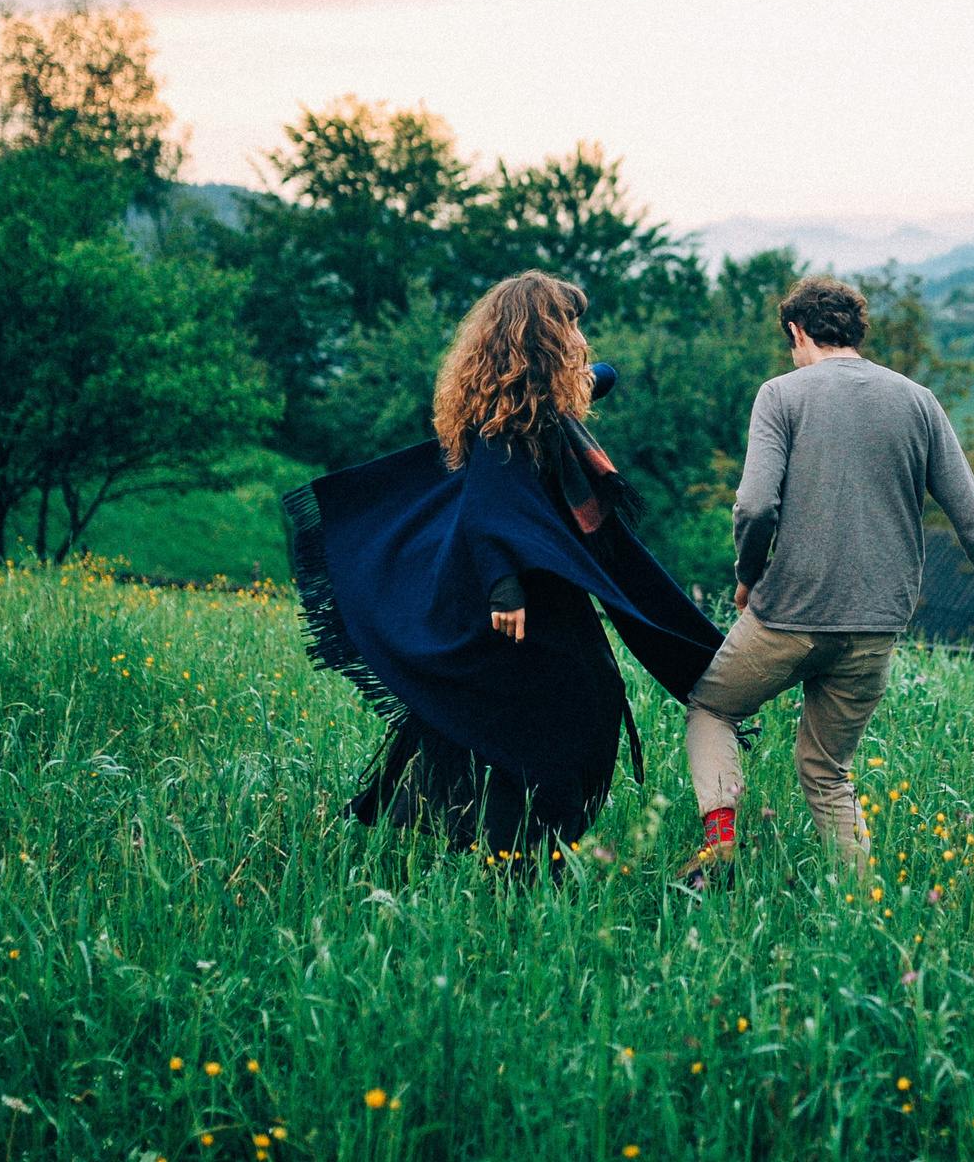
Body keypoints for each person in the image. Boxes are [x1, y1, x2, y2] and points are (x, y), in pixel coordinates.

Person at [285, 271, 723, 868]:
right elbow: (490, 510)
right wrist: (504, 587)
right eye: (568, 323)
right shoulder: (505, 423)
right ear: (541, 334)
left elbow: (603, 377)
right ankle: (526, 849)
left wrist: (587, 378)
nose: (578, 336)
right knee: (562, 710)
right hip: (509, 598)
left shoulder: (544, 408)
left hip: (543, 590)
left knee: (546, 708)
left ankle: (515, 843)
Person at [678, 275, 974, 886]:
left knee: (711, 710)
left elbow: (752, 506)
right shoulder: (919, 402)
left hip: (787, 615)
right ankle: (861, 910)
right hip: (876, 626)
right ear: (854, 332)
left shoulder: (781, 395)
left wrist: (748, 577)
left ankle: (719, 847)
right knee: (828, 772)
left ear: (797, 333)